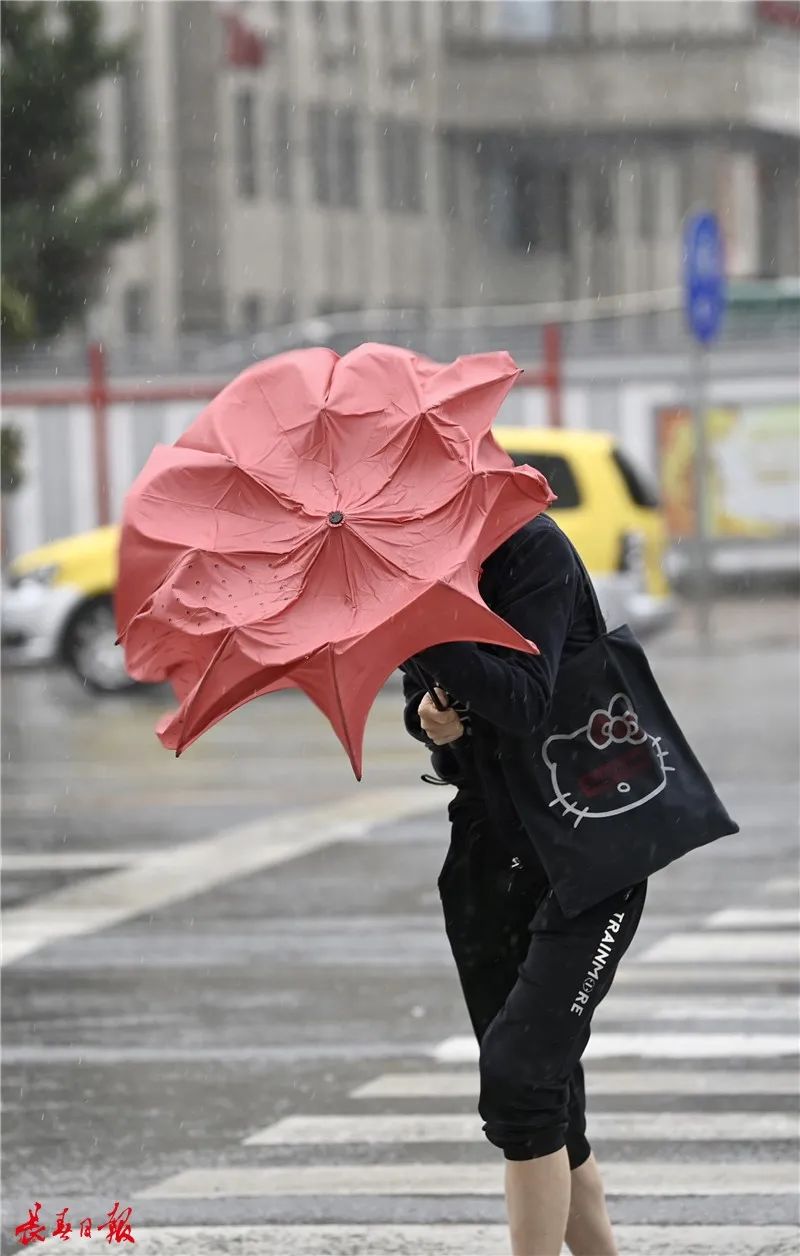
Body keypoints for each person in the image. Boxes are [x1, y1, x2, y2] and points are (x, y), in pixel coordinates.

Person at [401, 511, 648, 1256]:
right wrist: (428, 719)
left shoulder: (527, 549)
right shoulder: (406, 566)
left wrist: (426, 625)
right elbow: (442, 711)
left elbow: (524, 696)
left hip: (585, 850)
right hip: (484, 858)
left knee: (519, 1081)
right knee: (548, 1106)